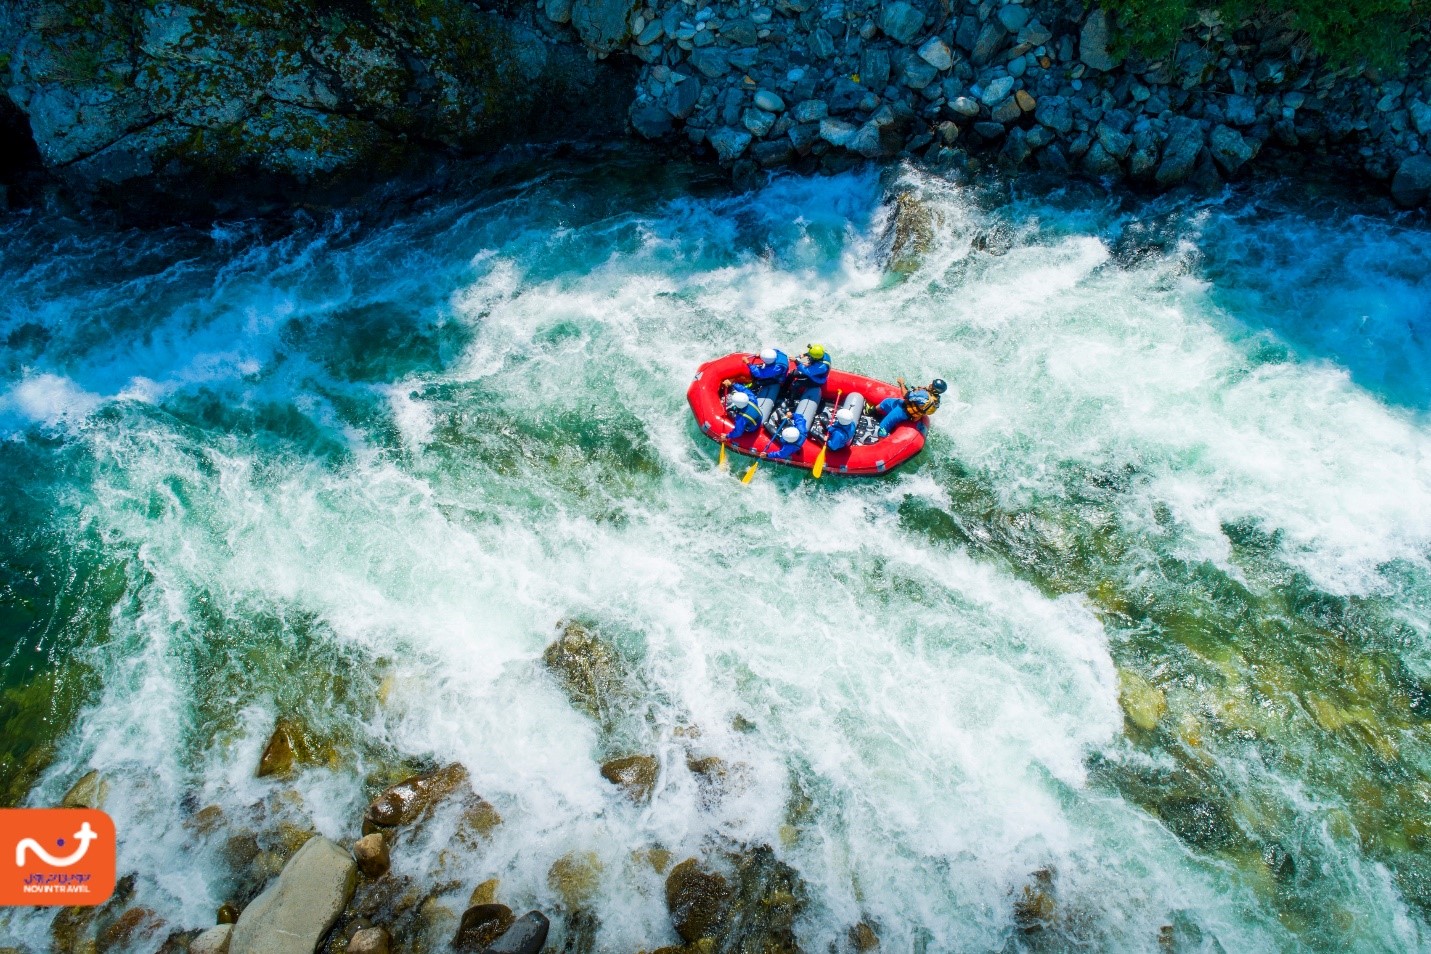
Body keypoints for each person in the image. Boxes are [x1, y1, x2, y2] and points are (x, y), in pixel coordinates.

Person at [876, 378, 947, 436]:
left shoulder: (924, 395)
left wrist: (901, 383)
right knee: (886, 402)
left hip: (902, 411)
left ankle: (881, 438)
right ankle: (872, 412)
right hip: (908, 410)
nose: (930, 384)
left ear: (934, 390)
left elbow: (905, 395)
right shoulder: (936, 400)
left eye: (932, 385)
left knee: (882, 428)